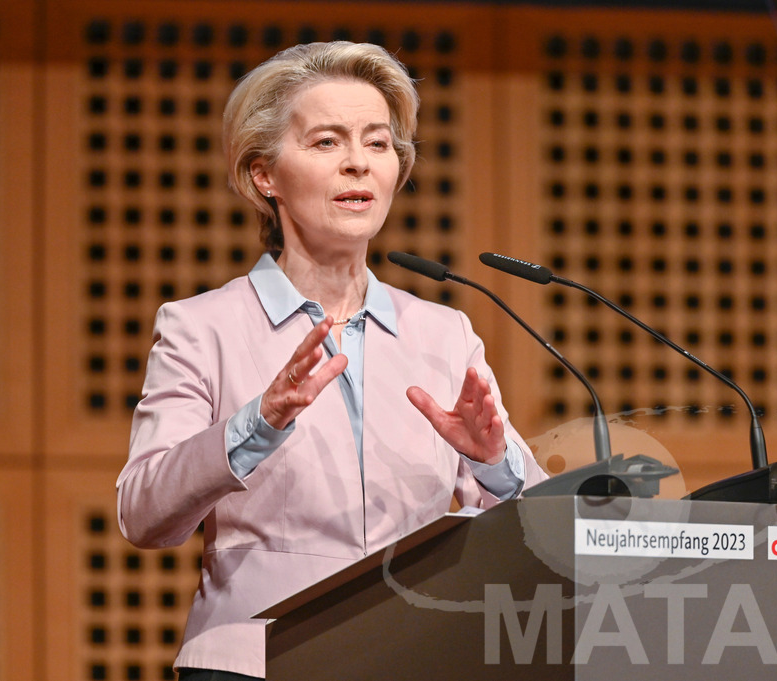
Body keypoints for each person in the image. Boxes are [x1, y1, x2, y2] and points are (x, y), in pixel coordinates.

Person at [116, 41, 547, 680]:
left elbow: (544, 529)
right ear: (264, 175)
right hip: (255, 659)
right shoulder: (202, 327)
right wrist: (256, 423)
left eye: (378, 143)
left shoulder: (444, 333)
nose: (358, 163)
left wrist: (493, 463)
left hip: (419, 658)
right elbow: (143, 514)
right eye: (326, 142)